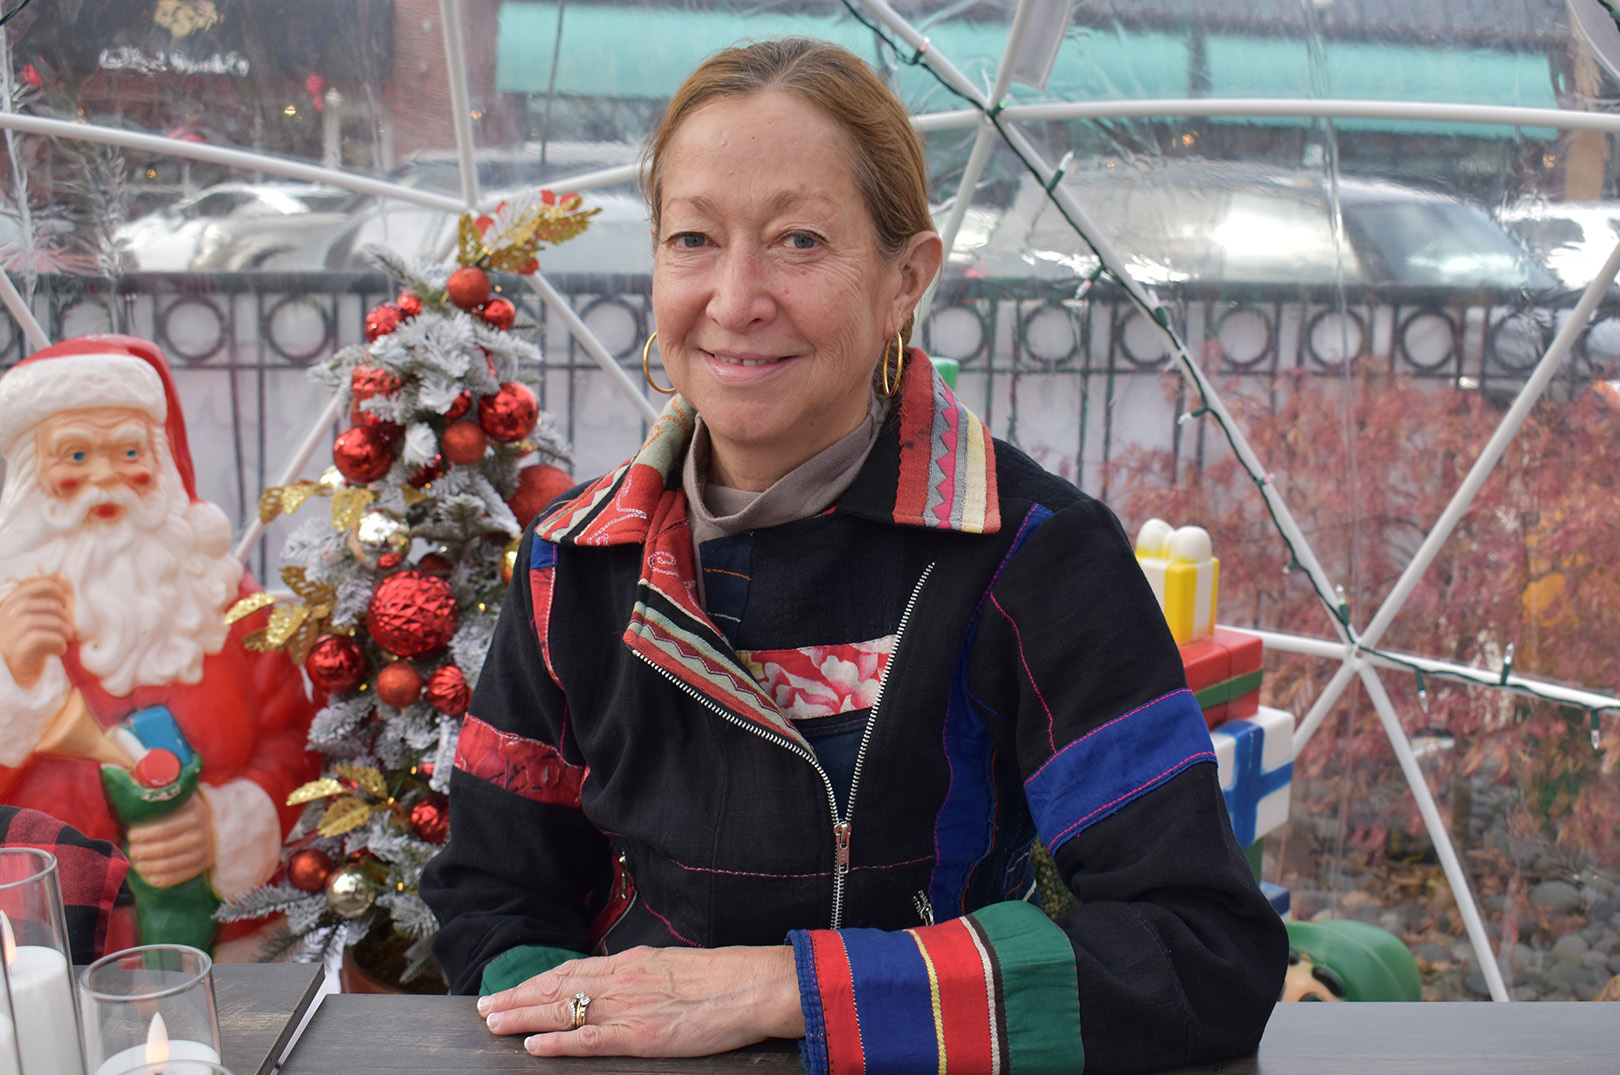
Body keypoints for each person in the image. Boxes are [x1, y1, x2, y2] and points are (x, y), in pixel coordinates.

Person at [421, 38, 1285, 1073]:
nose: (735, 299)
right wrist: (566, 1023)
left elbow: (1200, 952)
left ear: (902, 279)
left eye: (796, 241)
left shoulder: (1033, 557)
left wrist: (780, 988)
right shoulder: (576, 560)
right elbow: (491, 892)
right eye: (693, 237)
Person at [0, 334, 318, 953]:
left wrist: (222, 825)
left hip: (229, 947)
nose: (105, 477)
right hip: (37, 953)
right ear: (28, 477)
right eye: (74, 455)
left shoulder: (224, 597)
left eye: (127, 449)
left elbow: (294, 744)